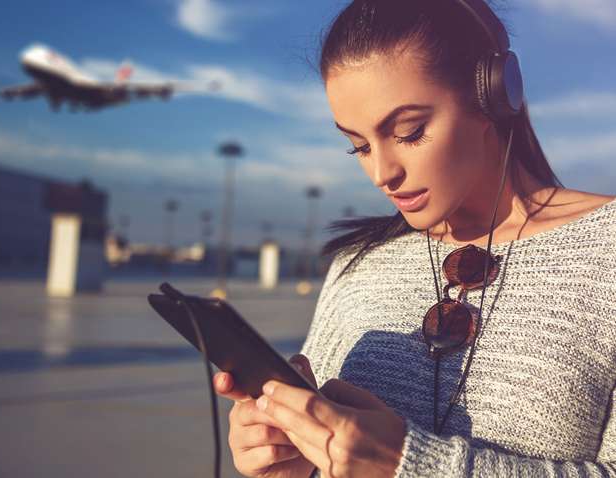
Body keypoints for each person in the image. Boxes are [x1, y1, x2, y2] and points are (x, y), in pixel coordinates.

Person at [213, 0, 616, 477]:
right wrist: (289, 461)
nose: (383, 173)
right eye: (359, 145)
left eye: (409, 131)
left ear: (491, 96)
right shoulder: (357, 263)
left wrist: (410, 464)